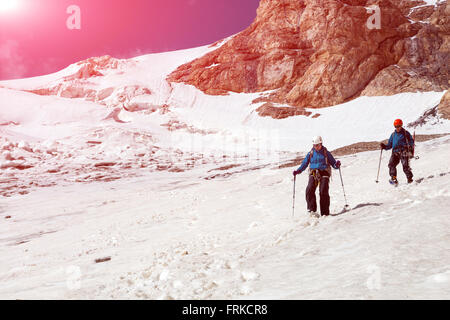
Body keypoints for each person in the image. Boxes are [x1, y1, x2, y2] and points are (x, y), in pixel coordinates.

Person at [293, 136, 341, 216]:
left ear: (321, 144)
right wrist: (298, 171)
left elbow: (333, 163)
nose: (316, 147)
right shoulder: (311, 153)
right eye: (314, 145)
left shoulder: (326, 152)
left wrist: (337, 165)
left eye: (317, 145)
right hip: (314, 172)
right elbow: (305, 163)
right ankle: (312, 211)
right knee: (309, 189)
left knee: (323, 191)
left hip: (324, 172)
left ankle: (325, 213)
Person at [380, 119, 415, 185]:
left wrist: (410, 148)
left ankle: (409, 179)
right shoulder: (393, 135)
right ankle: (394, 178)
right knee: (391, 164)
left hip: (403, 151)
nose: (397, 128)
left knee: (405, 166)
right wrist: (384, 146)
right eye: (395, 126)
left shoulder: (405, 133)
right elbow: (389, 145)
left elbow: (411, 141)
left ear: (401, 125)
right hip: (395, 152)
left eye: (398, 126)